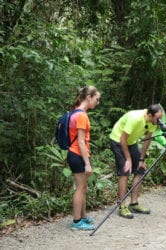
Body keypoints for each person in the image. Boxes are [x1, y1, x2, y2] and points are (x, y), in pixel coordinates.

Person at [109, 104, 163, 219]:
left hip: (131, 142)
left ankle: (134, 203)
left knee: (140, 169)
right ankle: (122, 206)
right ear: (149, 115)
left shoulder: (152, 122)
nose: (159, 121)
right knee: (125, 171)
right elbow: (122, 139)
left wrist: (141, 159)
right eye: (157, 118)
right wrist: (128, 159)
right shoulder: (135, 118)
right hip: (118, 140)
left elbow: (147, 140)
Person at [67, 86, 101, 230]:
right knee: (80, 188)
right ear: (89, 97)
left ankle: (83, 217)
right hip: (78, 154)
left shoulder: (75, 112)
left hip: (76, 154)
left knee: (83, 187)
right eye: (97, 99)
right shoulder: (81, 115)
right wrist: (87, 163)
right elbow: (81, 141)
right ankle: (76, 222)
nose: (98, 102)